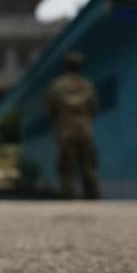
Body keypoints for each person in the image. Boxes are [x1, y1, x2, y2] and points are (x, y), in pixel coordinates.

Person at [47, 52, 101, 200]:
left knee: (66, 166)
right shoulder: (87, 85)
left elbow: (51, 110)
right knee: (88, 165)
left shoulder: (57, 86)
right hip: (84, 129)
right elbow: (94, 107)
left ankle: (67, 197)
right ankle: (92, 197)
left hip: (65, 130)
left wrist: (57, 124)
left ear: (65, 66)